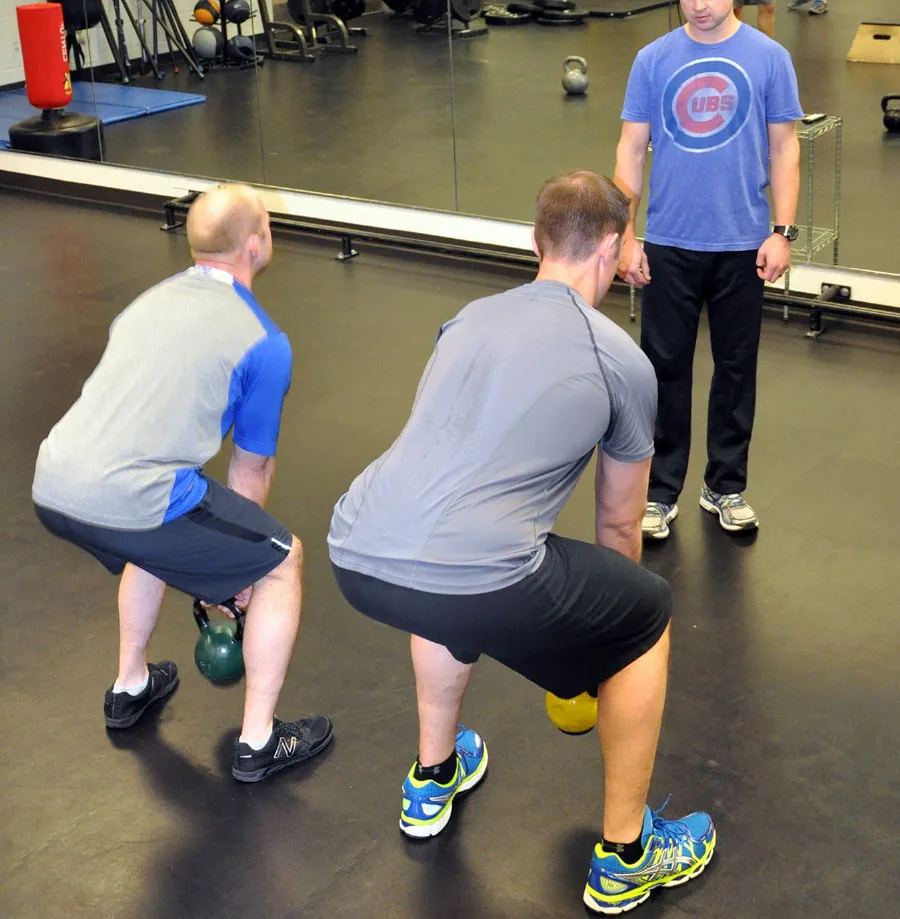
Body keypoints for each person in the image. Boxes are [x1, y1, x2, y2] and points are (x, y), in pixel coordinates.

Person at [328, 171, 715, 914]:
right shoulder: (620, 359)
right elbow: (616, 528)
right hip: (473, 569)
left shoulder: (467, 320)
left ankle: (432, 776)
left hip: (360, 544)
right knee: (646, 613)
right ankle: (629, 854)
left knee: (448, 578)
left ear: (536, 243)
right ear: (612, 246)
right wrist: (603, 650)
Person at [32, 184, 333, 783]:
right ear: (257, 244)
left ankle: (130, 686)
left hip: (54, 481)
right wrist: (235, 575)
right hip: (130, 494)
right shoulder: (264, 342)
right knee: (281, 561)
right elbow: (251, 471)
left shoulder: (144, 303)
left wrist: (211, 567)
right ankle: (258, 742)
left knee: (153, 527)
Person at [615, 0, 803, 540]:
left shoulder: (770, 58)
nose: (699, 5)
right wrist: (627, 237)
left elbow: (784, 146)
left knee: (736, 368)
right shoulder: (653, 59)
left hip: (743, 243)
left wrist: (782, 231)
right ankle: (659, 490)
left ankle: (725, 484)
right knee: (663, 369)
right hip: (671, 241)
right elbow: (630, 150)